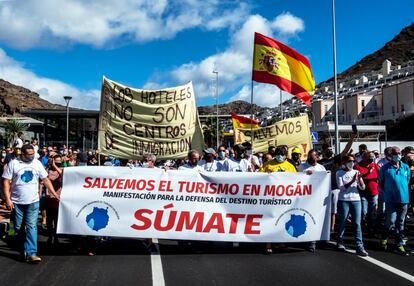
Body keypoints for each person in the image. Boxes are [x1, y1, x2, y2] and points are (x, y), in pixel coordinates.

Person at [2, 144, 60, 263]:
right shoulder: (14, 163)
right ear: (22, 154)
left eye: (33, 154)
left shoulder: (37, 163)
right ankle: (22, 250)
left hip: (33, 201)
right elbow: (6, 181)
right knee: (17, 227)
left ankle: (32, 253)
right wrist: (7, 199)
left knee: (31, 226)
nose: (32, 156)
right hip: (17, 202)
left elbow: (45, 179)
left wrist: (54, 193)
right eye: (29, 154)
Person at [259, 146, 296, 253]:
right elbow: (257, 177)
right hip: (270, 198)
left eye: (282, 154)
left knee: (283, 219)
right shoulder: (268, 164)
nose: (280, 156)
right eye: (278, 153)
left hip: (284, 199)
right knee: (269, 220)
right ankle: (268, 244)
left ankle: (280, 241)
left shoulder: (290, 166)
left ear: (286, 155)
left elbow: (298, 179)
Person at [318, 133, 356, 233]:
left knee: (333, 211)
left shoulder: (336, 159)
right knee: (322, 210)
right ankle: (322, 228)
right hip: (323, 189)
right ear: (323, 151)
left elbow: (346, 150)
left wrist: (352, 137)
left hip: (334, 188)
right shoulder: (319, 162)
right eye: (326, 149)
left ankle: (331, 229)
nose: (329, 151)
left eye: (330, 149)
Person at [379, 147, 411, 256]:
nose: (397, 155)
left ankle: (399, 244)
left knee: (400, 222)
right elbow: (380, 183)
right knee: (391, 221)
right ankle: (384, 238)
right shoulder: (384, 168)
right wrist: (388, 193)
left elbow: (407, 181)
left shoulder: (406, 167)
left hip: (404, 200)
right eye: (395, 153)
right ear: (390, 155)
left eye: (399, 153)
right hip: (390, 200)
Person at [336, 154, 368, 256]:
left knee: (357, 223)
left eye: (353, 161)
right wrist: (353, 180)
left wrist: (359, 180)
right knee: (342, 221)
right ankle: (340, 241)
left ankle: (359, 246)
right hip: (343, 200)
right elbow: (341, 188)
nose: (352, 163)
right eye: (350, 161)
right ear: (344, 162)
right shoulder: (339, 173)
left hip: (356, 200)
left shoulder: (356, 172)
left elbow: (363, 188)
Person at [297, 149, 326, 252]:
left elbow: (324, 181)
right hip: (304, 197)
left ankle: (312, 242)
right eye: (310, 156)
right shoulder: (302, 167)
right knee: (304, 217)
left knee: (314, 218)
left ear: (317, 157)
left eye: (314, 156)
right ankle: (302, 238)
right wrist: (305, 174)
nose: (312, 157)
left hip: (316, 197)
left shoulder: (321, 168)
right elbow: (295, 179)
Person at [355, 151, 379, 235]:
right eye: (369, 158)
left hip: (374, 191)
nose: (370, 160)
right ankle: (362, 226)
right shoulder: (357, 166)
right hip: (362, 192)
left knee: (372, 212)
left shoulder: (374, 165)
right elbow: (357, 177)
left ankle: (371, 228)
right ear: (364, 158)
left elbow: (380, 175)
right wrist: (368, 172)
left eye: (371, 159)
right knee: (364, 211)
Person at [45, 154, 64, 247]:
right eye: (55, 160)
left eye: (59, 160)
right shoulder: (47, 170)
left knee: (57, 219)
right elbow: (42, 181)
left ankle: (56, 237)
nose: (57, 162)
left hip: (58, 197)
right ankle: (49, 236)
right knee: (49, 219)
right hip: (49, 197)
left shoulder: (62, 169)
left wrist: (55, 166)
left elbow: (62, 174)